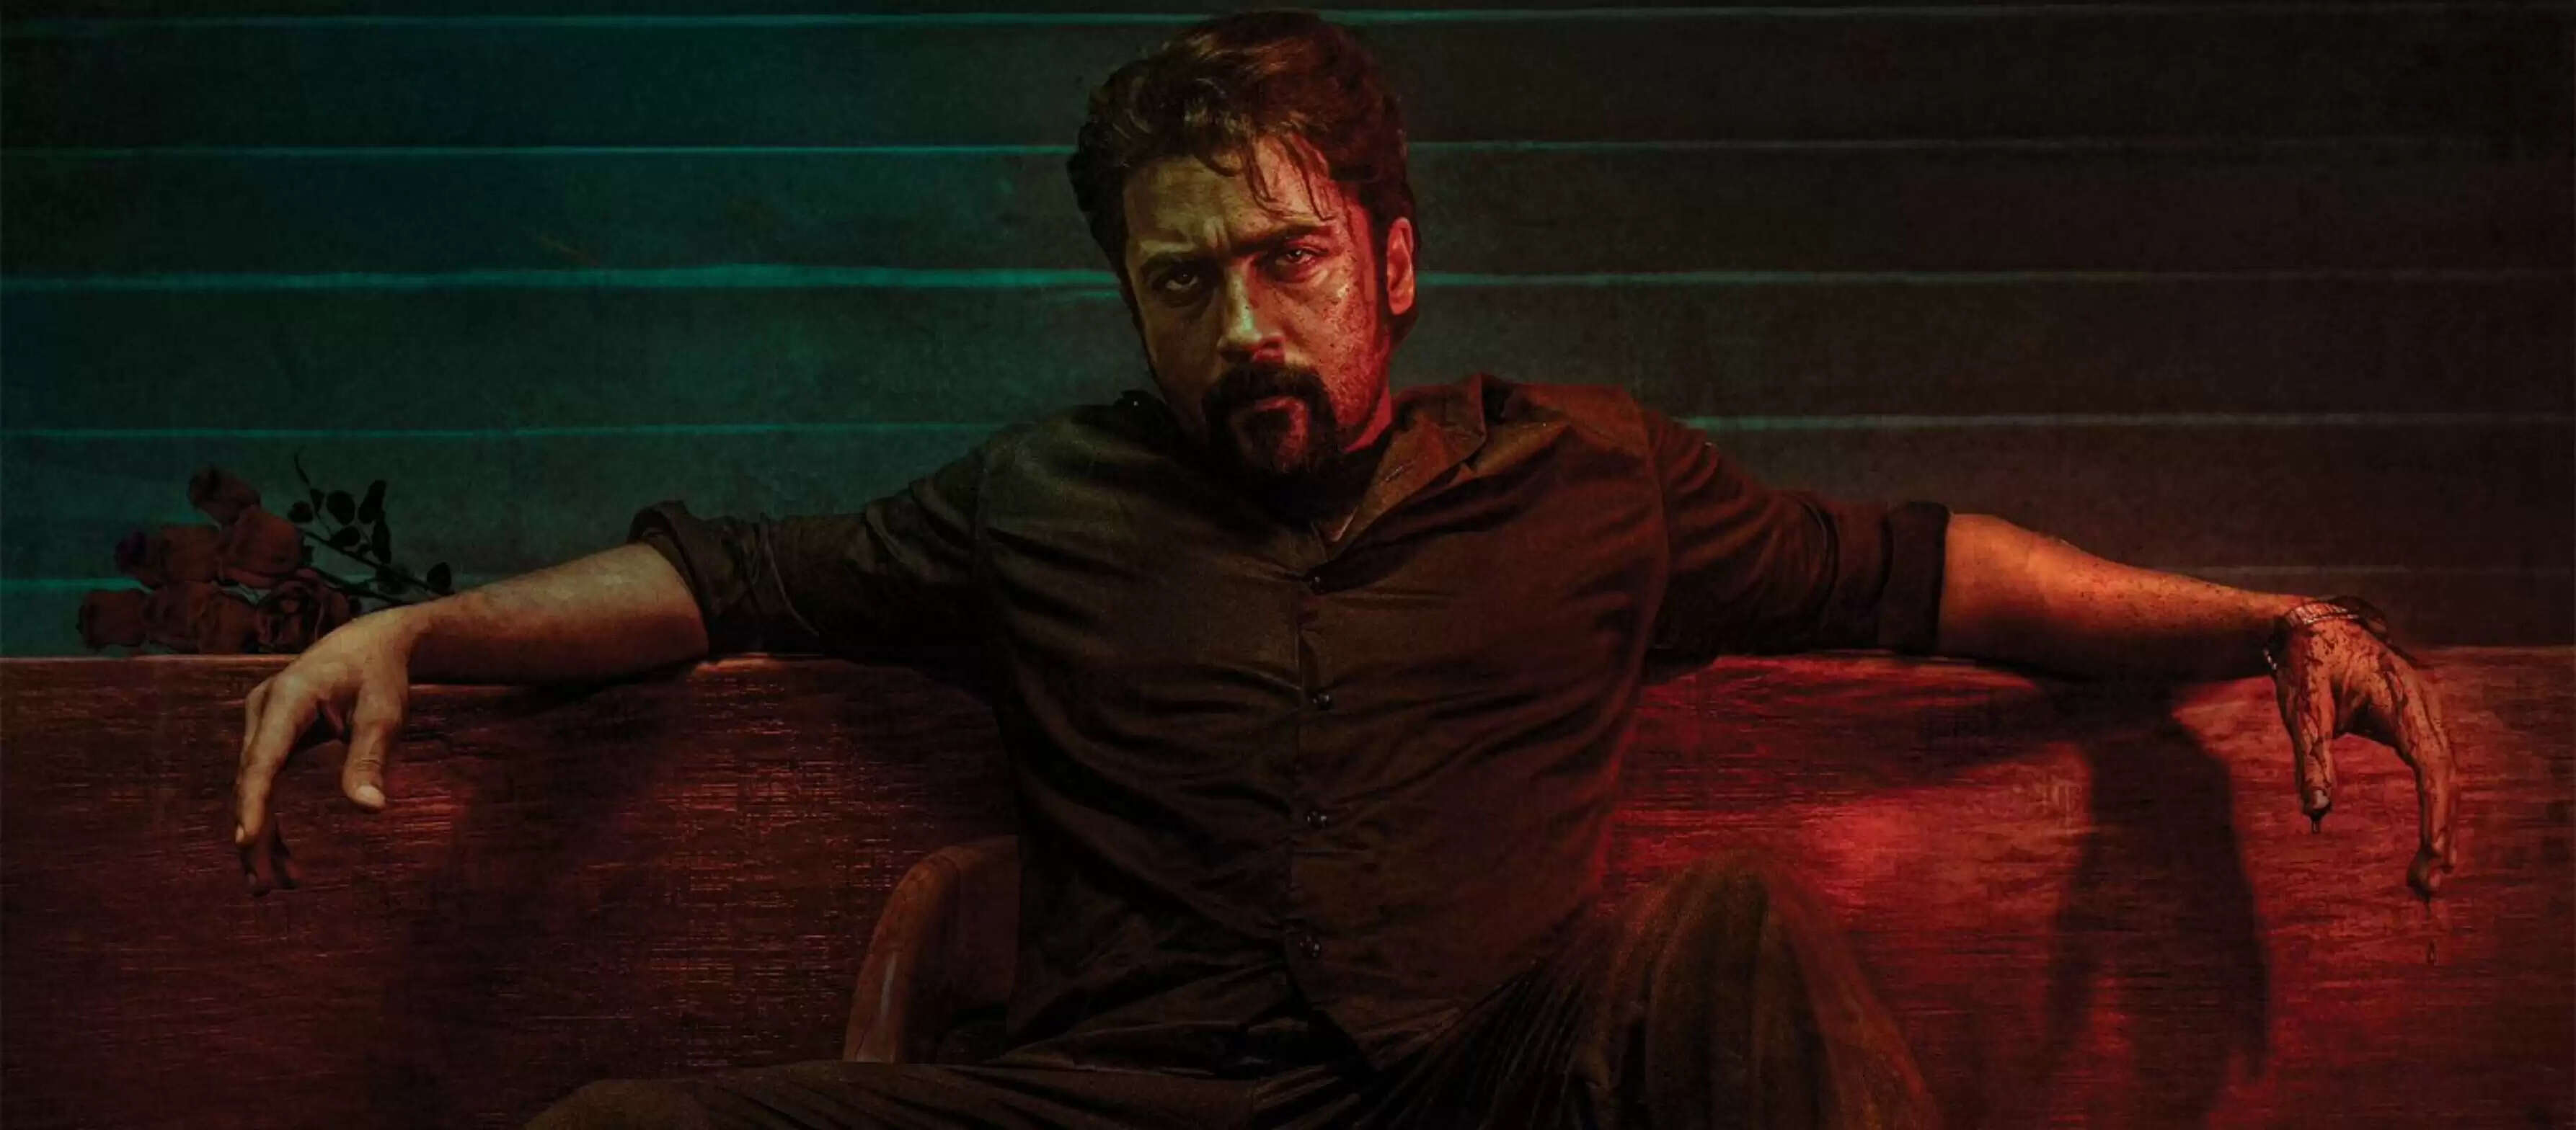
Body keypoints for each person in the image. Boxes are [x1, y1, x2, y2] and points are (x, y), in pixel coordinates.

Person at [228, 11, 2460, 1129]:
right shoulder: (1040, 499)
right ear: (1132, 304)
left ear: (1389, 260)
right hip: (1125, 1100)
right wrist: (421, 626)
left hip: (1490, 1077)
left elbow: (1925, 575)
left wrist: (2262, 620)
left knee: (1733, 940)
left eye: (1287, 261)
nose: (1242, 327)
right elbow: (727, 584)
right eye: (1180, 284)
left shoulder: (1589, 476)